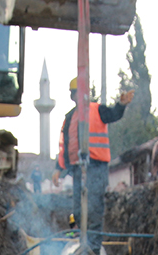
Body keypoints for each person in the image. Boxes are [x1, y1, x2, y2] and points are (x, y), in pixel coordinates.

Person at [55, 79, 134, 245]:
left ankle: (94, 249)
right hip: (77, 170)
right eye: (77, 92)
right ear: (73, 95)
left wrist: (121, 105)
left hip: (97, 167)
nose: (81, 95)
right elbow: (65, 146)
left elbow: (113, 114)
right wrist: (58, 169)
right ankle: (83, 242)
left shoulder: (97, 110)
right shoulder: (70, 118)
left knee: (94, 209)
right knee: (78, 211)